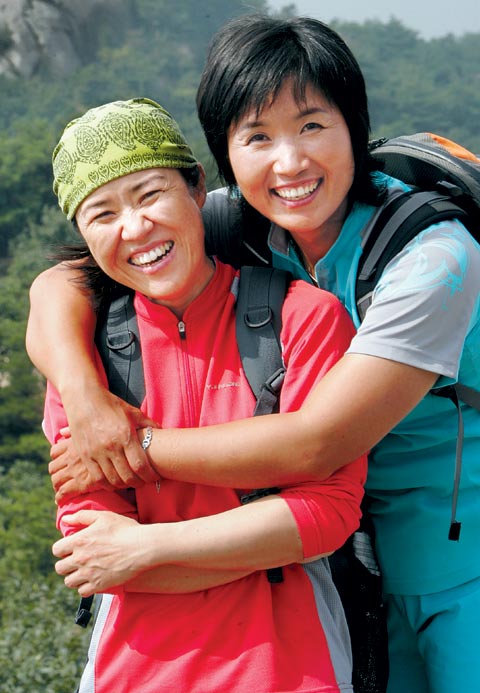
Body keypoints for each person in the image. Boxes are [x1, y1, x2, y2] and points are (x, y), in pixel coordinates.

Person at [26, 15, 480, 693]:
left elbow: (315, 445)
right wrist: (86, 396)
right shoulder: (238, 220)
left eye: (312, 126)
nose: (289, 163)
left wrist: (132, 445)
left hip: (464, 560)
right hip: (368, 574)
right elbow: (64, 278)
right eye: (257, 138)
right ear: (225, 159)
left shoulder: (435, 260)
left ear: (354, 125)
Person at [39, 96, 366, 693]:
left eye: (149, 195)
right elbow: (95, 553)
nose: (135, 229)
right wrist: (264, 540)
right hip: (130, 673)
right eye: (102, 213)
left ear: (197, 189)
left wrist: (146, 547)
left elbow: (329, 513)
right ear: (84, 236)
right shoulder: (86, 357)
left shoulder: (304, 318)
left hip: (290, 667)